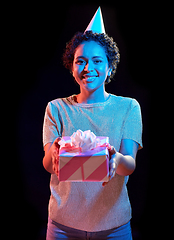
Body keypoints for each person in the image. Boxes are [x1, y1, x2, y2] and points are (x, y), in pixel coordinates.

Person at [42, 7, 143, 240]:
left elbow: (129, 164)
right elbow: (49, 165)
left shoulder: (128, 108)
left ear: (109, 67)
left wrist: (115, 158)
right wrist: (55, 152)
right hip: (62, 227)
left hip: (114, 226)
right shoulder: (56, 108)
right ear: (72, 66)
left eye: (97, 61)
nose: (88, 68)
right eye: (81, 61)